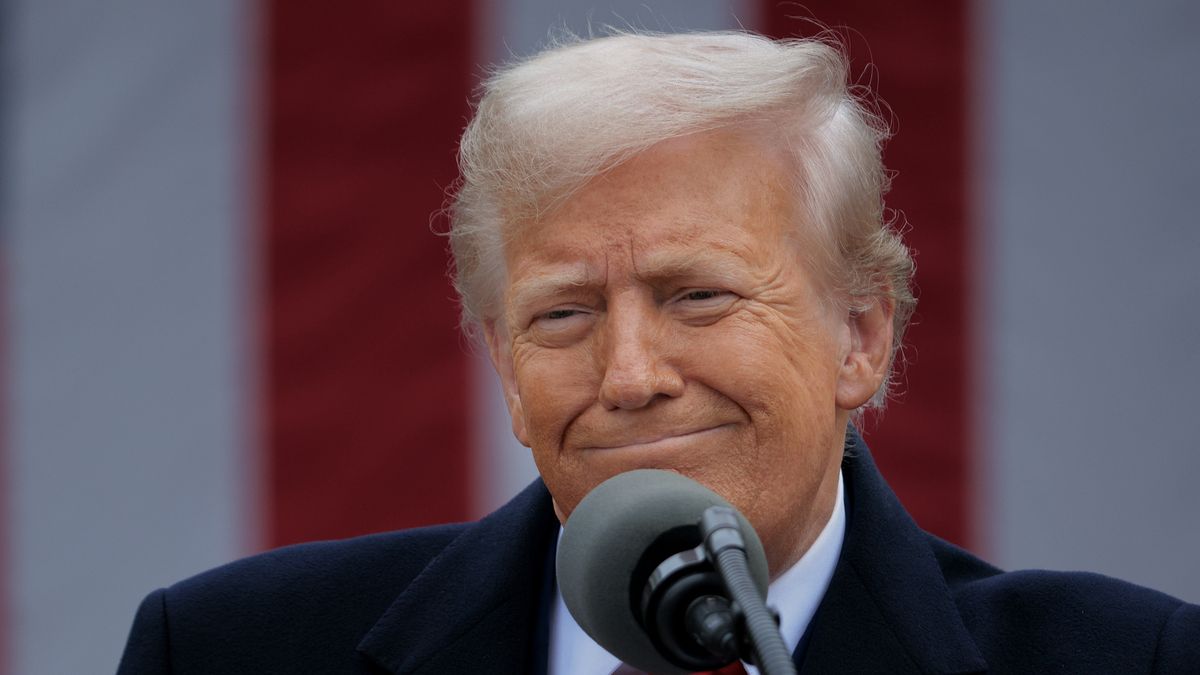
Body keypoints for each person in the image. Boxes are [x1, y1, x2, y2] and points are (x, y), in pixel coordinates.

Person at [117, 31, 1199, 674]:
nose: (631, 376)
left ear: (860, 336)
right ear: (504, 366)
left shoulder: (1130, 660)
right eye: (564, 315)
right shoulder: (227, 652)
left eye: (698, 296)